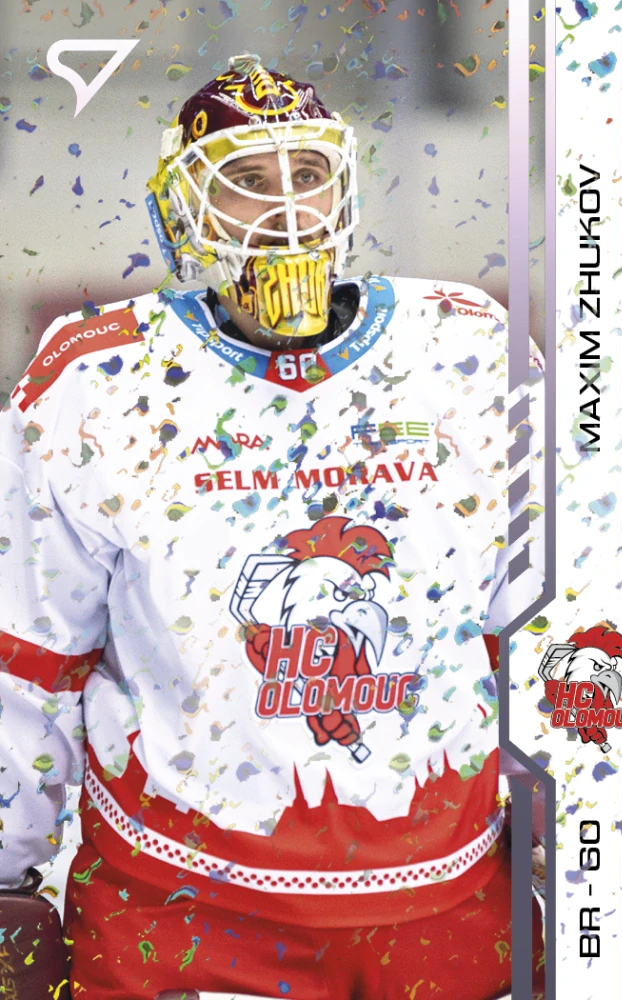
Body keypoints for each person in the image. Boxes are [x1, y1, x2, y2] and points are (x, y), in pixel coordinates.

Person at [0, 54, 544, 1000]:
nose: (288, 209)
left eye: (309, 173)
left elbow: (542, 624)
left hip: (448, 909)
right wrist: (7, 869)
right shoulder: (97, 379)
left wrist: (582, 829)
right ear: (185, 207)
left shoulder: (468, 350)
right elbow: (31, 652)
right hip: (180, 917)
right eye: (247, 179)